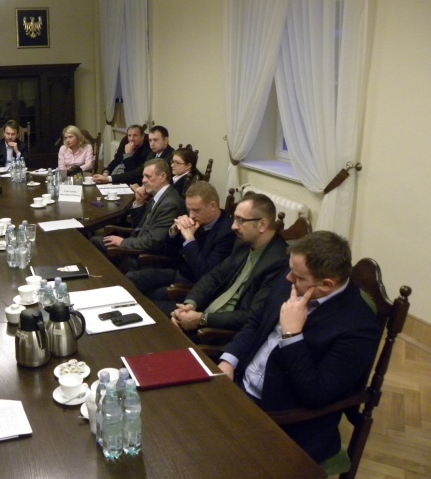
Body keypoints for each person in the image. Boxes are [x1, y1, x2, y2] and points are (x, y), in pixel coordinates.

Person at [219, 232, 382, 464]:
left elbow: (316, 395)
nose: (288, 278)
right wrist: (229, 361)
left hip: (282, 420)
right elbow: (256, 323)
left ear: (326, 284)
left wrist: (292, 336)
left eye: (297, 276)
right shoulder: (293, 281)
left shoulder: (359, 328)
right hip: (237, 387)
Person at [168, 193, 289, 335]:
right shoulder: (244, 243)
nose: (233, 226)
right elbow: (214, 277)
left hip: (218, 332)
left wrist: (202, 319)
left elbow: (252, 315)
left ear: (262, 225)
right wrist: (190, 304)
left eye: (240, 220)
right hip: (205, 313)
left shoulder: (279, 262)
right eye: (235, 219)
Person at [126, 181, 235, 302]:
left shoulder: (227, 233)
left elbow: (204, 273)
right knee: (131, 278)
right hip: (178, 272)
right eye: (189, 210)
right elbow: (170, 253)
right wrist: (174, 232)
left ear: (213, 206)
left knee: (146, 298)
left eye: (196, 210)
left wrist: (189, 240)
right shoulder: (197, 220)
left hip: (193, 286)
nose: (191, 215)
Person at [91, 159, 183, 269]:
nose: (143, 180)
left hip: (147, 259)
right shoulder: (158, 196)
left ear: (162, 177)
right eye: (143, 176)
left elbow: (153, 241)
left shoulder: (170, 204)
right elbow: (139, 226)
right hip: (138, 247)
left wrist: (123, 242)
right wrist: (139, 202)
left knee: (96, 245)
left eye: (148, 176)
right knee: (96, 241)